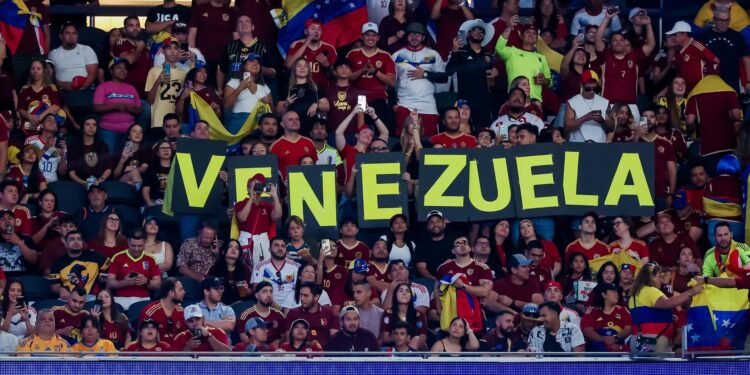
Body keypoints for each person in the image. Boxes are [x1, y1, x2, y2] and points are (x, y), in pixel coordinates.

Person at [628, 262, 703, 353]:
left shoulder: (635, 294)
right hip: (653, 342)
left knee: (642, 367)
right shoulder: (651, 290)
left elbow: (643, 316)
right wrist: (690, 292)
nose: (661, 279)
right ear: (651, 278)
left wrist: (665, 318)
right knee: (661, 367)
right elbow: (667, 303)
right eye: (659, 277)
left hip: (637, 342)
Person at [594, 10, 654, 115]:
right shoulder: (606, 56)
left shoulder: (634, 56)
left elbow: (650, 45)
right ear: (610, 45)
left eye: (621, 40)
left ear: (625, 43)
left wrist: (648, 24)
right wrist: (607, 18)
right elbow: (597, 39)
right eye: (615, 40)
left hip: (631, 106)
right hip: (609, 105)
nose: (618, 42)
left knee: (632, 132)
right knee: (609, 132)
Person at [392, 22, 446, 137]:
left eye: (418, 34)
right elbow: (390, 83)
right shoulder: (396, 55)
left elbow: (443, 78)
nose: (414, 37)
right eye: (411, 34)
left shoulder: (433, 54)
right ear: (407, 36)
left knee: (427, 144)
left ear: (423, 37)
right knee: (404, 142)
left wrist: (425, 74)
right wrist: (393, 104)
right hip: (404, 104)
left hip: (428, 106)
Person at [347, 23, 397, 129]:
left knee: (382, 131)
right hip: (358, 99)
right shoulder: (352, 54)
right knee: (361, 131)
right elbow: (346, 78)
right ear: (362, 37)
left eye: (373, 35)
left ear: (378, 37)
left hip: (379, 98)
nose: (371, 38)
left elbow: (392, 82)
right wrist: (362, 70)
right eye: (367, 35)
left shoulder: (385, 56)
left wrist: (375, 72)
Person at [495, 18, 551, 103]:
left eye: (534, 33)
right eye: (527, 32)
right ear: (521, 36)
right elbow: (499, 48)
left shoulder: (542, 57)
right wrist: (509, 27)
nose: (531, 34)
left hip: (535, 101)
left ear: (536, 39)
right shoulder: (512, 52)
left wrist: (544, 80)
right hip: (515, 99)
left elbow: (550, 82)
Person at [698, 6, 750, 93]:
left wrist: (748, 81)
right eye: (721, 20)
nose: (724, 23)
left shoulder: (737, 36)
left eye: (727, 20)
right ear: (714, 20)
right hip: (709, 85)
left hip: (731, 85)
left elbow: (746, 60)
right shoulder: (703, 37)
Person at [106, 228, 161, 310]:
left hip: (143, 300)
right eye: (133, 245)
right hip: (120, 300)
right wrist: (124, 282)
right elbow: (109, 283)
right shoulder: (118, 257)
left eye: (140, 246)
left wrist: (146, 281)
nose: (136, 249)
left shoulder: (151, 259)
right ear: (128, 242)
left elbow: (158, 284)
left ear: (145, 242)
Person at [234, 173, 282, 267]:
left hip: (263, 244)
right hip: (247, 243)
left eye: (259, 185)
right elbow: (242, 218)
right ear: (248, 188)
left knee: (265, 271)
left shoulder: (267, 206)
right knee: (246, 271)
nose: (256, 187)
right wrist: (251, 197)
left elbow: (277, 216)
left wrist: (274, 195)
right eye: (254, 185)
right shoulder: (241, 204)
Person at [336, 107, 390, 185]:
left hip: (371, 190)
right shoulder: (348, 150)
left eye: (371, 135)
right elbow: (338, 133)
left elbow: (385, 133)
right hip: (351, 193)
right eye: (364, 132)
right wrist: (353, 113)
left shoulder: (373, 151)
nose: (368, 135)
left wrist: (373, 115)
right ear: (357, 135)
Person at [187, 0, 237, 84]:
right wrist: (191, 52)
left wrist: (236, 56)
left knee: (224, 91)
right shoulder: (199, 9)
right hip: (203, 59)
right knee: (205, 89)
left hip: (225, 59)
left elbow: (236, 36)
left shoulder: (231, 12)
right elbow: (192, 34)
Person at [50, 230, 109, 298]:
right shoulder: (58, 262)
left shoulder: (94, 256)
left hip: (92, 298)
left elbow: (112, 266)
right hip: (69, 298)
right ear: (65, 244)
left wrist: (103, 276)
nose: (76, 241)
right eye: (72, 239)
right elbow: (54, 285)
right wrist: (60, 289)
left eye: (79, 239)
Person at [223, 54, 273, 135]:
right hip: (238, 123)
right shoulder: (233, 82)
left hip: (258, 124)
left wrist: (268, 102)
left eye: (258, 63)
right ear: (244, 66)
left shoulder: (264, 87)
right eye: (251, 61)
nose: (255, 64)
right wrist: (240, 88)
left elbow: (271, 111)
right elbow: (226, 105)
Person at [666, 21, 720, 93]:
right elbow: (672, 66)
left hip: (701, 91)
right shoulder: (678, 51)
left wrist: (708, 81)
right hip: (687, 93)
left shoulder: (696, 45)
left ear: (684, 34)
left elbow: (715, 61)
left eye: (675, 35)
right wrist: (670, 48)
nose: (673, 38)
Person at [145, 37, 187, 130]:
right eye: (169, 48)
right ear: (163, 51)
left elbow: (180, 100)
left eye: (175, 48)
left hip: (175, 122)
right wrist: (158, 82)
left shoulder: (183, 73)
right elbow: (150, 100)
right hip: (158, 120)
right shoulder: (154, 71)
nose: (172, 51)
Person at [285, 19, 337, 89]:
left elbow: (336, 75)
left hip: (322, 90)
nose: (316, 31)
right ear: (305, 32)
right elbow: (289, 65)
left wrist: (327, 65)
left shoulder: (329, 48)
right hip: (300, 89)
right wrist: (306, 43)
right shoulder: (296, 44)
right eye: (313, 28)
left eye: (319, 29)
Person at [283, 282, 339, 347]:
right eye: (301, 295)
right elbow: (289, 341)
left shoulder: (329, 313)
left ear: (316, 297)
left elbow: (335, 340)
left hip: (324, 354)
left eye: (306, 296)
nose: (302, 298)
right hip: (301, 354)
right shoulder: (293, 313)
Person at [581, 282, 632, 352]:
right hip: (597, 348)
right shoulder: (592, 311)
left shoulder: (623, 310)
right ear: (604, 294)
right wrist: (604, 341)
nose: (617, 293)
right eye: (613, 291)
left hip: (619, 343)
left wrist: (615, 339)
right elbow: (587, 330)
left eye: (616, 291)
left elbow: (629, 328)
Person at [564, 70, 611, 143]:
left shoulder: (605, 102)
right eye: (588, 89)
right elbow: (567, 127)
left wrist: (602, 121)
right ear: (582, 85)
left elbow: (611, 127)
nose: (592, 91)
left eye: (594, 88)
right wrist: (585, 118)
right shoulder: (572, 102)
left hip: (599, 144)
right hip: (577, 143)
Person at [113, 16, 151, 104]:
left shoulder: (145, 48)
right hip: (127, 96)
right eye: (131, 26)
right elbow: (128, 61)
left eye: (137, 25)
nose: (135, 28)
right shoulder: (121, 43)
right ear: (124, 29)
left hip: (144, 95)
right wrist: (139, 48)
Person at [269, 111, 318, 180]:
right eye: (290, 119)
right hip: (286, 189)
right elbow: (272, 171)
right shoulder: (274, 146)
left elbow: (314, 167)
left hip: (308, 186)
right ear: (282, 124)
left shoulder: (309, 142)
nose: (295, 121)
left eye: (297, 119)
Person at [138, 277, 187, 346]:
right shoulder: (150, 312)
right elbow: (142, 339)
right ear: (171, 293)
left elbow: (185, 335)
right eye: (180, 290)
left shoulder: (181, 311)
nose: (184, 292)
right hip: (156, 353)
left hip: (177, 353)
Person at [252, 237, 300, 305]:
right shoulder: (260, 266)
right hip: (268, 305)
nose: (280, 248)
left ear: (286, 250)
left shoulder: (296, 266)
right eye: (276, 245)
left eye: (283, 246)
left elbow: (301, 290)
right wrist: (274, 306)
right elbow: (256, 290)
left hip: (291, 306)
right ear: (269, 249)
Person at [379, 282, 428, 349]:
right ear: (395, 295)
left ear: (411, 296)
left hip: (413, 349)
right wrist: (401, 339)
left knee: (417, 339)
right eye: (401, 291)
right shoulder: (388, 313)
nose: (404, 293)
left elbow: (422, 337)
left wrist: (408, 343)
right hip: (393, 348)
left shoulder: (419, 315)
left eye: (407, 291)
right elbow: (385, 338)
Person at [66, 118, 113, 188]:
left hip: (99, 184)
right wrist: (83, 183)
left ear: (96, 129)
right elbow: (71, 172)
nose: (91, 127)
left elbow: (108, 168)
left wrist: (100, 180)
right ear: (83, 128)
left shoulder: (103, 146)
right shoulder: (74, 147)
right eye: (88, 124)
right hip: (79, 184)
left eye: (94, 125)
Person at [17, 58, 61, 131]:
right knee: (25, 127)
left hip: (47, 126)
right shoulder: (25, 89)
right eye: (33, 68)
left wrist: (40, 117)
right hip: (30, 124)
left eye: (38, 69)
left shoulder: (51, 88)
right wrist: (30, 117)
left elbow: (56, 106)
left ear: (44, 71)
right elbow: (20, 109)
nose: (35, 71)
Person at [236, 281, 285, 345]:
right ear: (257, 296)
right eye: (264, 291)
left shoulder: (279, 314)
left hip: (274, 352)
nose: (269, 294)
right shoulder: (246, 315)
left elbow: (284, 336)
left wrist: (278, 341)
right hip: (254, 351)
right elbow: (244, 339)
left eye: (271, 291)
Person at [208, 240, 251, 304]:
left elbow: (252, 291)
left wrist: (247, 290)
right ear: (223, 251)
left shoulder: (245, 269)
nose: (234, 249)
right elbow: (207, 289)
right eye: (230, 246)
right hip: (219, 304)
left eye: (237, 248)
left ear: (239, 253)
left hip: (240, 303)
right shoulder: (214, 268)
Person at [415, 210, 455, 280]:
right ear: (427, 226)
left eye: (438, 221)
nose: (435, 224)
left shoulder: (453, 242)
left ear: (444, 224)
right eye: (431, 222)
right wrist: (437, 281)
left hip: (454, 280)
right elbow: (422, 268)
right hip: (431, 282)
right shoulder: (421, 245)